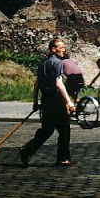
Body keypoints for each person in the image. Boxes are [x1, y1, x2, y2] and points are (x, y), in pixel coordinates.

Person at [19, 38, 75, 167]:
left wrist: (35, 101)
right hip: (56, 99)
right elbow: (59, 83)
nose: (64, 50)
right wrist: (69, 102)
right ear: (53, 49)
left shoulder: (42, 63)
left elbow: (37, 83)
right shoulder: (57, 63)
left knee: (47, 129)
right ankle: (63, 158)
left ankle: (27, 150)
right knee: (64, 129)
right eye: (61, 47)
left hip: (45, 99)